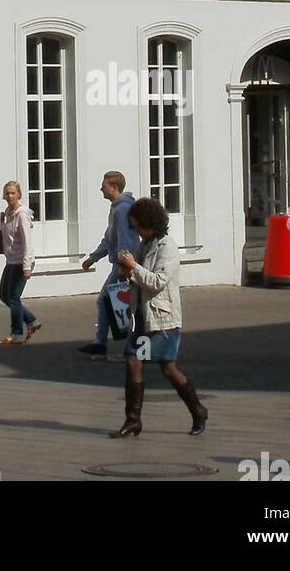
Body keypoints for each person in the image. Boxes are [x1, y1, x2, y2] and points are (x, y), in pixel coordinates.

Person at [110, 196, 206, 437]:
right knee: (133, 359)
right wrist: (126, 271)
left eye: (137, 226)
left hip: (162, 320)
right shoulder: (146, 244)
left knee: (167, 368)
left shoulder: (167, 248)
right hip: (142, 318)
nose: (136, 231)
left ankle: (197, 410)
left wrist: (134, 267)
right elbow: (140, 278)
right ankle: (133, 419)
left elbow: (158, 282)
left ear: (149, 223)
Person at [78, 170, 138, 357]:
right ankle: (107, 342)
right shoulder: (117, 208)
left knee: (112, 301)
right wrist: (93, 257)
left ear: (114, 187)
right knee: (117, 302)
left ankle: (107, 343)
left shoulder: (121, 209)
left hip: (123, 264)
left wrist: (123, 264)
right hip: (122, 263)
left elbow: (123, 239)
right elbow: (109, 238)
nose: (101, 189)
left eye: (104, 185)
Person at [0, 180, 42, 345]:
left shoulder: (22, 215)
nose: (10, 196)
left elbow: (27, 242)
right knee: (4, 295)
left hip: (22, 261)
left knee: (14, 297)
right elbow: (6, 238)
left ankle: (16, 333)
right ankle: (33, 321)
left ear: (19, 195)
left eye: (13, 193)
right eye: (7, 193)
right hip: (10, 261)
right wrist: (1, 221)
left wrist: (27, 266)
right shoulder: (7, 213)